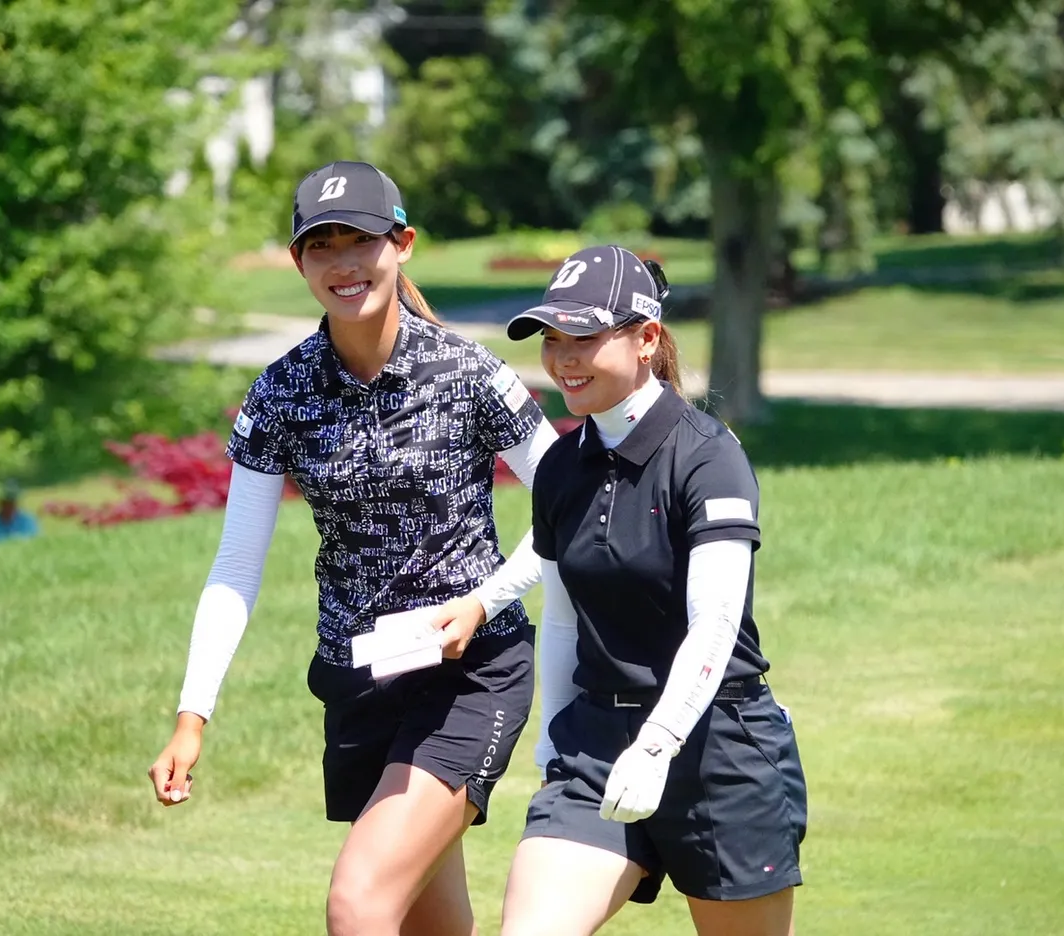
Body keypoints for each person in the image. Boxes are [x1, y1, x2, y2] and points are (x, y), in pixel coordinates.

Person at [147, 160, 559, 936]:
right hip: (361, 681)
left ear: (402, 244)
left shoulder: (467, 372)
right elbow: (236, 567)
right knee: (428, 925)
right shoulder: (280, 393)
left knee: (359, 902)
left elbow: (569, 504)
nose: (343, 263)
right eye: (321, 245)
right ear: (299, 261)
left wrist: (484, 603)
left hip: (469, 675)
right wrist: (191, 715)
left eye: (361, 240)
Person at [498, 246, 808, 936]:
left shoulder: (708, 455)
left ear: (646, 340)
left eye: (583, 337)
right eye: (551, 338)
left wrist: (658, 743)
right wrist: (551, 751)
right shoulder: (560, 468)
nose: (563, 358)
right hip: (596, 743)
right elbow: (563, 622)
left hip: (717, 744)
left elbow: (715, 622)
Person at [0, 481, 39, 547]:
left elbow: (36, 545)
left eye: (11, 501)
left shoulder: (28, 522)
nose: (8, 506)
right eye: (5, 502)